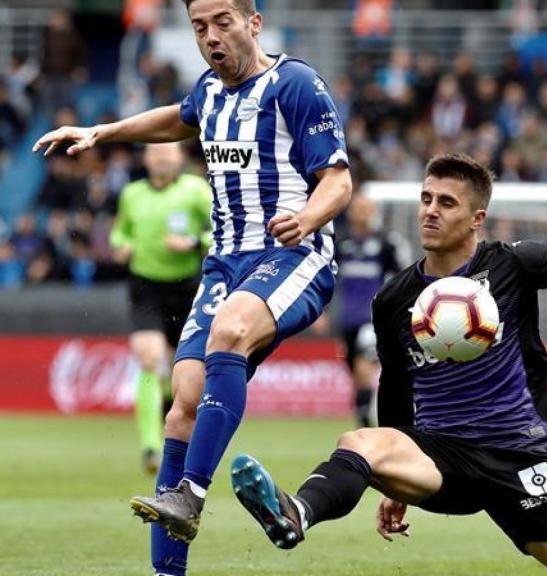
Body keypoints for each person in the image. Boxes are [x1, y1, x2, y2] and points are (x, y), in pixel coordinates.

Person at [229, 153, 547, 576]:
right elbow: (397, 395)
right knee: (360, 440)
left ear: (477, 218)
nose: (430, 212)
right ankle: (297, 513)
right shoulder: (394, 299)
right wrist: (388, 480)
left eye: (446, 202)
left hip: (516, 456)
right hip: (443, 459)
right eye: (425, 199)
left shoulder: (512, 264)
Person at [32, 1, 352, 575]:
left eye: (222, 21)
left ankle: (191, 494)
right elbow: (176, 118)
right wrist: (101, 132)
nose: (210, 36)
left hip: (291, 255)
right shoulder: (208, 93)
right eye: (199, 26)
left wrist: (307, 218)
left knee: (229, 330)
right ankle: (166, 572)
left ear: (253, 23)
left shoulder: (296, 84)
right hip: (225, 265)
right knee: (182, 402)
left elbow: (338, 178)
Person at [109, 142, 211, 474]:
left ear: (180, 157)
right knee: (150, 358)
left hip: (188, 287)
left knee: (183, 371)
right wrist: (121, 246)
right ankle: (151, 447)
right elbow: (119, 233)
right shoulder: (132, 194)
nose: (162, 158)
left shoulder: (196, 191)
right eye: (155, 153)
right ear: (147, 159)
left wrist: (194, 243)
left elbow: (222, 234)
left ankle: (171, 412)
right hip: (145, 286)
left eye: (168, 152)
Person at [335, 192, 410, 426]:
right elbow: (330, 278)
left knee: (363, 364)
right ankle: (364, 415)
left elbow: (403, 276)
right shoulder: (342, 243)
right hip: (348, 317)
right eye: (358, 207)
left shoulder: (386, 242)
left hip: (373, 316)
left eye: (367, 207)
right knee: (355, 371)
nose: (362, 212)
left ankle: (367, 423)